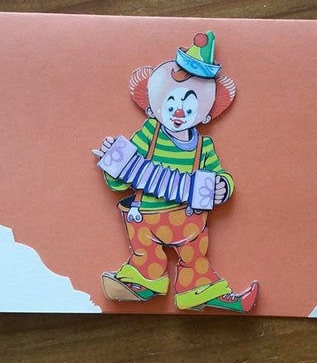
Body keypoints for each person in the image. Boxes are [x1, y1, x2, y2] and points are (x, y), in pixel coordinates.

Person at [93, 31, 258, 313]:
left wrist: (223, 186)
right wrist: (113, 160)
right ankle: (142, 284)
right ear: (153, 106)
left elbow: (221, 175)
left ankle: (202, 293)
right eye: (170, 103)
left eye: (189, 105)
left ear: (206, 113)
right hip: (145, 219)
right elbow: (118, 183)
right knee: (146, 255)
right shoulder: (149, 132)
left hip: (189, 222)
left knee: (195, 259)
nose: (178, 112)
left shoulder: (204, 146)